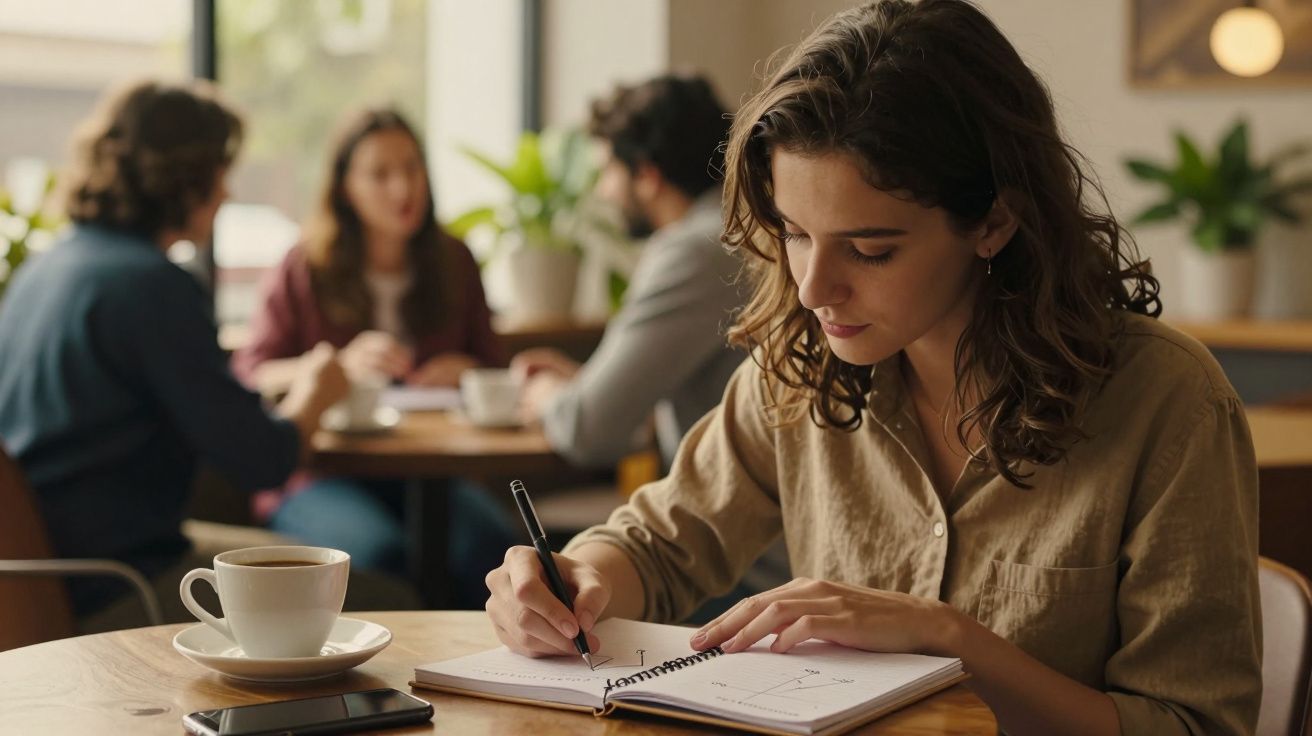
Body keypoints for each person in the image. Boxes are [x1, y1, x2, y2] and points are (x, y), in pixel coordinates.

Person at [484, 2, 1262, 735]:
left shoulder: (1167, 404)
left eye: (870, 249)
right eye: (794, 234)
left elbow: (1190, 725)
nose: (814, 289)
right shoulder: (797, 371)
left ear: (994, 220)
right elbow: (657, 546)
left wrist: (947, 640)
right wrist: (571, 580)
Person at [0, 80, 413, 625]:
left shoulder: (45, 270)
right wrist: (316, 391)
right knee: (400, 606)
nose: (226, 192)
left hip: (40, 578)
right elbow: (263, 460)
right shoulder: (152, 286)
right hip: (120, 581)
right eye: (220, 170)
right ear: (185, 177)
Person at [232, 108, 514, 607]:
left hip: (433, 471)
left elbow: (495, 367)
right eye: (380, 174)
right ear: (345, 187)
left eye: (412, 168)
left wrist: (467, 370)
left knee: (495, 554)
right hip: (323, 473)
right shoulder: (303, 265)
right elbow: (252, 373)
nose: (402, 188)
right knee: (381, 556)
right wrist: (330, 366)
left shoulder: (454, 260)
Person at [512, 74, 745, 472]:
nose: (603, 192)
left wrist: (550, 394)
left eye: (608, 171)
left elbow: (586, 429)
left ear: (646, 175)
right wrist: (588, 381)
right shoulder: (737, 230)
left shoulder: (696, 252)